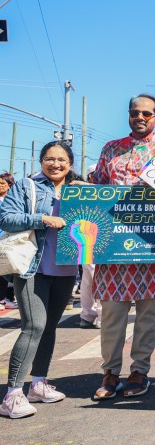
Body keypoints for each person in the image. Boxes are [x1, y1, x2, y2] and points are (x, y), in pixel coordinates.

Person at [91, 93, 155, 400]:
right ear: (129, 115)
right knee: (112, 314)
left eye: (147, 113)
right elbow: (98, 194)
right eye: (135, 112)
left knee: (148, 314)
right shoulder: (110, 150)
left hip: (152, 249)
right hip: (114, 251)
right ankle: (110, 372)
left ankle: (139, 371)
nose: (140, 117)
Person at [0, 141, 82, 419]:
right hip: (32, 267)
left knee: (49, 328)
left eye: (61, 159)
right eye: (49, 159)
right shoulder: (26, 186)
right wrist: (42, 219)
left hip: (66, 268)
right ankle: (12, 394)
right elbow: (6, 218)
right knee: (33, 326)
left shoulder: (78, 189)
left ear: (70, 163)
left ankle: (38, 383)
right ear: (41, 160)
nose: (55, 164)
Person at [78, 164, 101, 329]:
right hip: (87, 239)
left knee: (101, 277)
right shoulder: (82, 192)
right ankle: (88, 314)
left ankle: (100, 315)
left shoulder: (109, 190)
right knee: (88, 277)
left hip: (105, 239)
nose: (96, 177)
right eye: (94, 174)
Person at [0, 172, 18, 310]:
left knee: (5, 270)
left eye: (2, 184)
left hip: (8, 239)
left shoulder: (12, 200)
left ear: (9, 186)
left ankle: (4, 298)